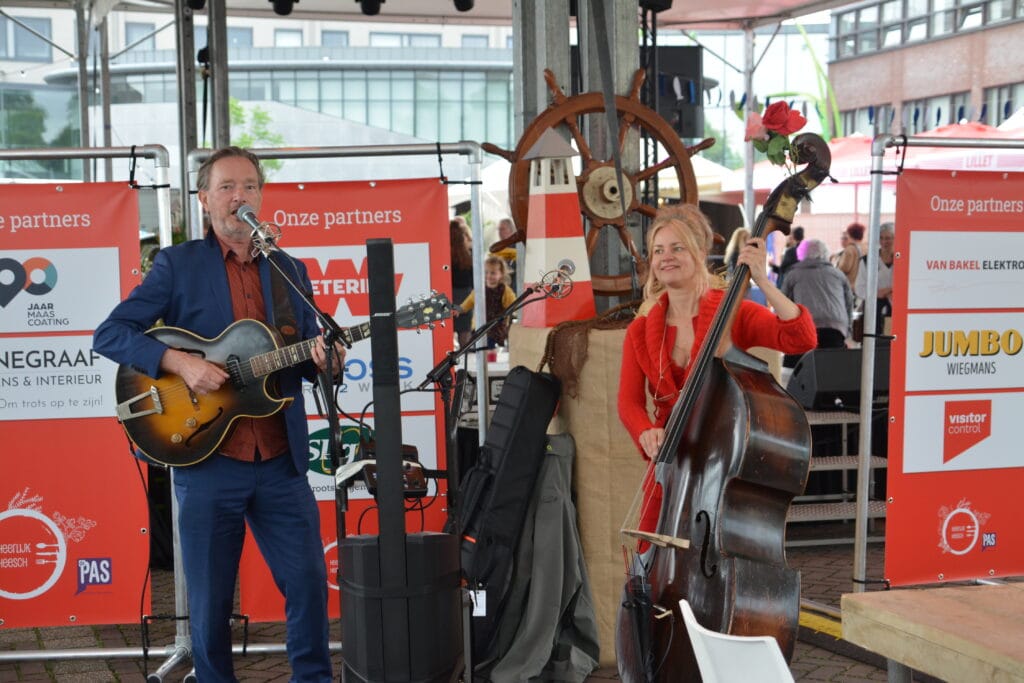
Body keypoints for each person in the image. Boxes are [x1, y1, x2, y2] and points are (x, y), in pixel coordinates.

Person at [93, 147, 340, 683]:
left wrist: (325, 359)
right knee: (209, 601)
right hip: (207, 458)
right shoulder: (178, 265)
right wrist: (180, 363)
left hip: (281, 460)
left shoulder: (289, 270)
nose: (239, 196)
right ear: (204, 199)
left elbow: (302, 362)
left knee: (307, 584)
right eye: (227, 187)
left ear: (261, 195)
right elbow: (110, 334)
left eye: (249, 186)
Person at [617, 204, 817, 534]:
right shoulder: (639, 330)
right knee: (650, 551)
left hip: (723, 460)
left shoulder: (732, 313)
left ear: (700, 252)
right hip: (670, 463)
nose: (666, 257)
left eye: (677, 248)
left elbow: (801, 338)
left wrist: (762, 281)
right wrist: (644, 430)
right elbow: (629, 402)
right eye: (658, 250)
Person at [781, 238, 854, 365]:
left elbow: (783, 304)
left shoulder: (793, 275)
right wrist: (847, 330)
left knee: (795, 367)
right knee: (833, 366)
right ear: (825, 254)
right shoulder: (838, 274)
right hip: (835, 328)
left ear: (801, 254)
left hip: (805, 328)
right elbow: (849, 303)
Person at [455, 254, 517, 348]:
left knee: (490, 348)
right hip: (480, 326)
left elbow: (513, 304)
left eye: (493, 273)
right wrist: (460, 309)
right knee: (479, 347)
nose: (489, 275)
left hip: (497, 327)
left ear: (501, 274)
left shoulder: (505, 290)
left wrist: (514, 311)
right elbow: (469, 301)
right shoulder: (480, 288)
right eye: (486, 272)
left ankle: (490, 354)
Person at [854, 222, 895, 337]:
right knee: (875, 341)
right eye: (881, 238)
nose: (884, 242)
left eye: (888, 238)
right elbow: (859, 288)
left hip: (896, 312)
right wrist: (877, 293)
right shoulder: (867, 261)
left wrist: (891, 290)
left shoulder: (905, 260)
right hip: (874, 313)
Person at [450, 217, 474, 348]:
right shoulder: (468, 254)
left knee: (448, 328)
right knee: (464, 331)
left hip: (449, 295)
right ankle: (466, 355)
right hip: (466, 296)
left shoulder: (444, 254)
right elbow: (473, 278)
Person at [834, 222, 865, 290]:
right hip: (862, 286)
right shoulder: (864, 248)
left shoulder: (850, 249)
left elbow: (843, 268)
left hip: (850, 287)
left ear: (849, 234)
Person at [772, 225, 804, 290]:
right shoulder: (805, 251)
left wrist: (774, 267)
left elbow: (783, 270)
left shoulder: (791, 252)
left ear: (794, 237)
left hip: (787, 288)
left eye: (790, 236)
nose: (788, 237)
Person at [490, 216, 519, 288]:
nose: (500, 232)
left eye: (502, 229)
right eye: (499, 230)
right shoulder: (497, 248)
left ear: (511, 230)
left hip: (515, 286)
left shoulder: (518, 247)